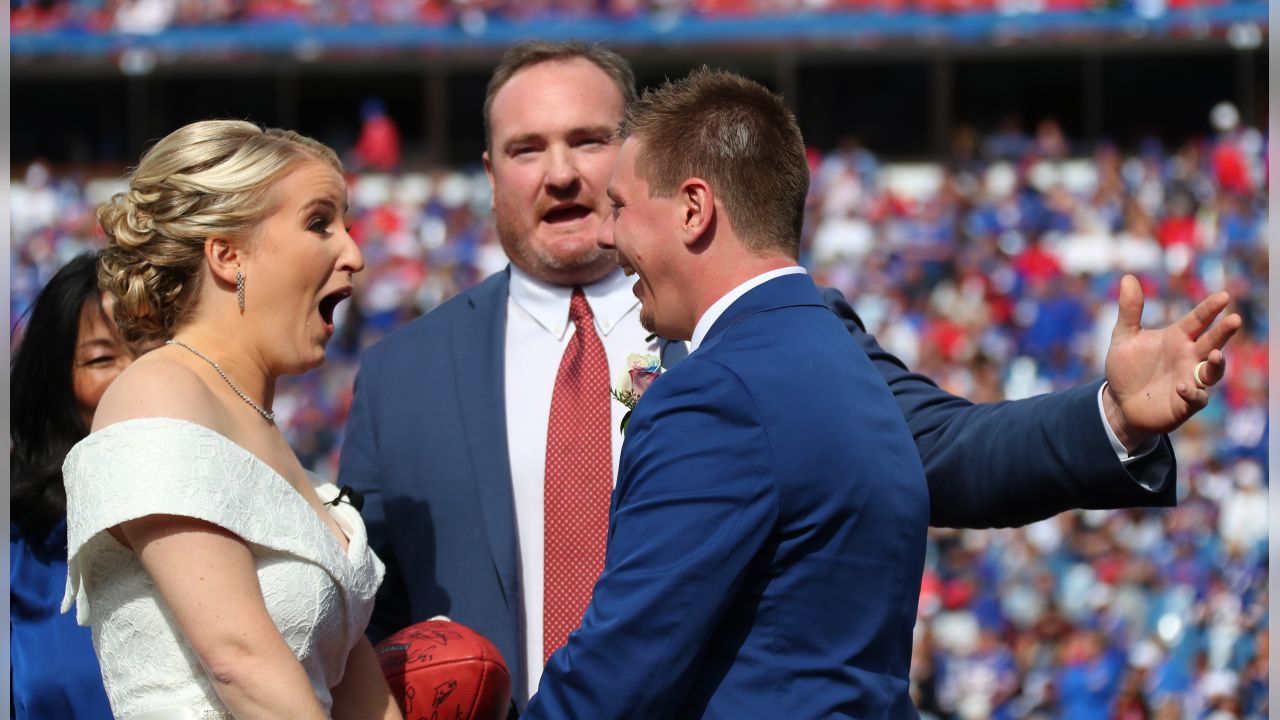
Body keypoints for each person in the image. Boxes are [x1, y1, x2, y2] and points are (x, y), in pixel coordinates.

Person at [338, 42, 1238, 705]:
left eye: (591, 139)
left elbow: (941, 448)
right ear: (488, 171)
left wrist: (1112, 418)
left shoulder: (764, 333)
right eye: (529, 148)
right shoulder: (400, 380)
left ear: (655, 158)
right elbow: (372, 623)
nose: (565, 173)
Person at [527, 66, 931, 717]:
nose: (605, 235)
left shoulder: (716, 397)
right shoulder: (848, 364)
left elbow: (618, 674)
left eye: (622, 207)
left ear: (693, 208)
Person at [59, 119, 402, 720]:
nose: (354, 253)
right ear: (227, 254)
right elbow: (239, 661)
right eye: (320, 223)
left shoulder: (260, 426)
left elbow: (351, 678)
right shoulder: (157, 391)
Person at [11, 252, 135, 720]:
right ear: (58, 384)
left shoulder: (237, 511)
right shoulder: (21, 552)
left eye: (149, 347)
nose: (135, 375)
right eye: (102, 358)